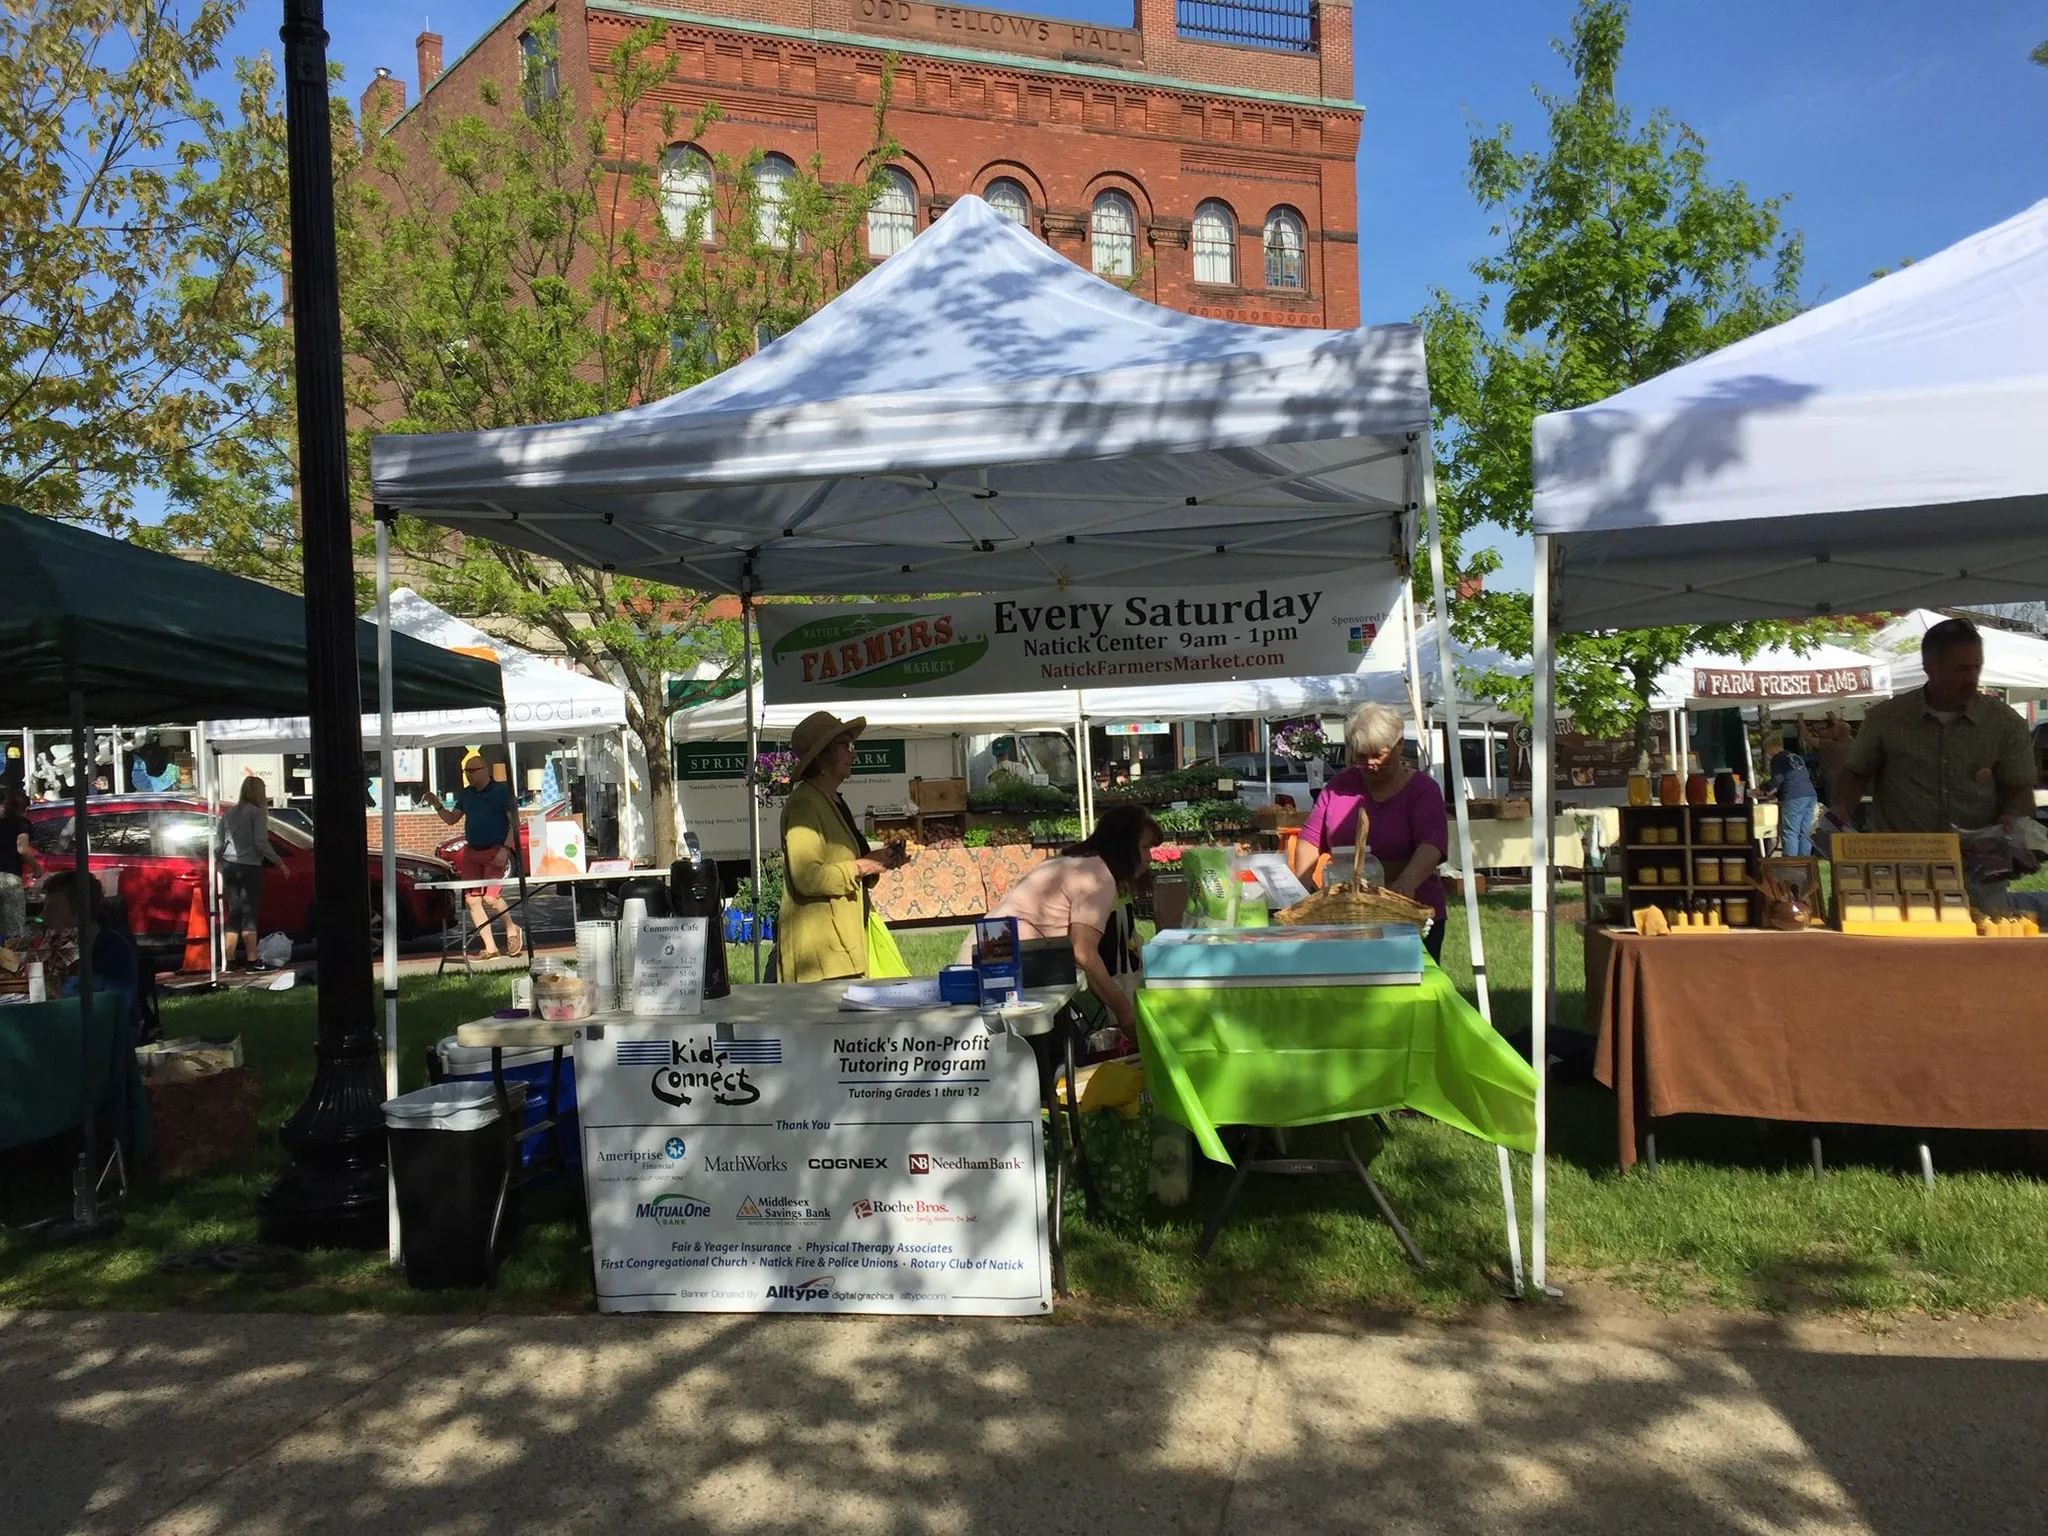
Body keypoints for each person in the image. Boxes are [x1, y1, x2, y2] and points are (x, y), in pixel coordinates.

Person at [959, 804, 1161, 1038]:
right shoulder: (1096, 877)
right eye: (1145, 847)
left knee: (1064, 1045)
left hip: (989, 963)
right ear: (1124, 846)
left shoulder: (1077, 862)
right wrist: (1127, 1015)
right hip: (995, 972)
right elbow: (1084, 953)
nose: (1149, 858)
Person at [1828, 617, 2034, 846]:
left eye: (1977, 667)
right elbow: (1856, 772)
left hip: (1978, 867)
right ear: (1929, 667)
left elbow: (2019, 788)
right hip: (1904, 864)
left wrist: (2014, 816)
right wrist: (1841, 808)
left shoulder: (2005, 722)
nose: (1971, 678)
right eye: (1961, 669)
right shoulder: (1886, 718)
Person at [1289, 702, 1451, 961]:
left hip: (1409, 913)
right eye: (1361, 756)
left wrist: (1404, 885)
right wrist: (1301, 888)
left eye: (1379, 755)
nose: (1370, 763)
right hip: (1345, 915)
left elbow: (1432, 845)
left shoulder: (1423, 789)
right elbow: (1310, 838)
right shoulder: (1339, 785)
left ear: (1399, 746)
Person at [777, 712, 903, 982]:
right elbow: (807, 877)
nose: (853, 755)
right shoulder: (805, 804)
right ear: (822, 757)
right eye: (845, 746)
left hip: (840, 948)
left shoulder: (830, 800)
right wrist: (860, 866)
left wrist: (875, 861)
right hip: (821, 956)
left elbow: (843, 861)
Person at [433, 751, 523, 958]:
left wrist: (506, 850)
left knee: (491, 898)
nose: (469, 775)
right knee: (473, 900)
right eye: (466, 771)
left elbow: (515, 824)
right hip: (472, 851)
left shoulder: (502, 792)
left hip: (495, 850)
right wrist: (437, 804)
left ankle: (511, 928)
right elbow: (451, 819)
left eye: (473, 771)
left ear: (486, 771)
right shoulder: (466, 794)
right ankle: (490, 947)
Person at [43, 873, 143, 1043]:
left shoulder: (115, 949)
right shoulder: (53, 949)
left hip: (106, 1041)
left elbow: (114, 1008)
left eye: (52, 908)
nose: (44, 915)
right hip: (64, 1032)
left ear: (79, 910)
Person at [216, 775, 286, 971]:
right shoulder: (257, 814)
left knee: (234, 913)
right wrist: (279, 863)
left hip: (229, 865)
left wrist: (217, 861)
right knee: (249, 913)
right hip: (250, 866)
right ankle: (252, 959)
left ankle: (229, 960)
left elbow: (218, 843)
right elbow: (261, 843)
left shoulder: (229, 813)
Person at [1760, 731, 1818, 857]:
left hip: (1794, 796)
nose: (1768, 754)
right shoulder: (1795, 756)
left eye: (1767, 750)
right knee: (1805, 831)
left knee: (1790, 831)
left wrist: (1763, 789)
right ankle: (1805, 862)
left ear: (1771, 747)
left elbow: (1777, 780)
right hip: (1810, 794)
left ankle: (1790, 863)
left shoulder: (1778, 759)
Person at [0, 789, 43, 941]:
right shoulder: (22, 824)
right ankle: (11, 960)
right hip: (9, 878)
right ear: (26, 809)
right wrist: (37, 867)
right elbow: (22, 849)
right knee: (14, 927)